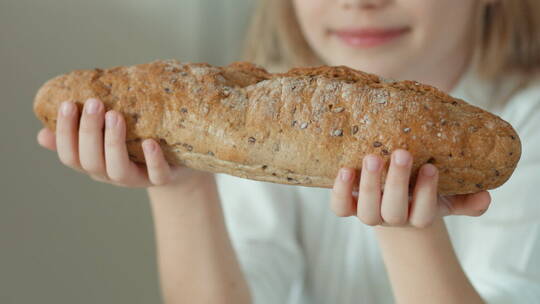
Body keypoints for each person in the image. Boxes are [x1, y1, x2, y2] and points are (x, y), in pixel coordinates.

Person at [36, 0, 540, 303]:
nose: (358, 1)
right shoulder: (266, 123)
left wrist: (410, 231)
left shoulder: (524, 127)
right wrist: (183, 180)